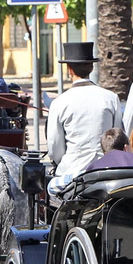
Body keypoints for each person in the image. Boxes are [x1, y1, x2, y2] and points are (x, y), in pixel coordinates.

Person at [47, 42, 124, 192]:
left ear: (69, 70)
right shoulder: (111, 98)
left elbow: (55, 148)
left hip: (71, 174)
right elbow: (117, 139)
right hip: (105, 172)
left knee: (49, 188)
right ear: (92, 67)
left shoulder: (59, 103)